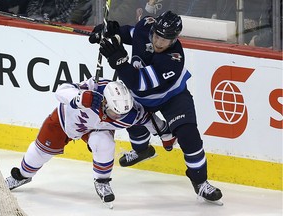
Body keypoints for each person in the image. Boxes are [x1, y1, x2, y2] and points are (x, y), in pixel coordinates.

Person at [89, 10, 223, 203]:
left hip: (172, 97)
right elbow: (129, 34)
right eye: (157, 36)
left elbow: (138, 82)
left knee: (189, 136)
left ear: (175, 39)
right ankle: (142, 150)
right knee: (128, 116)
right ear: (152, 29)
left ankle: (200, 183)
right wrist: (110, 31)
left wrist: (118, 60)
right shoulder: (146, 26)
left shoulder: (173, 58)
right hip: (139, 97)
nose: (159, 42)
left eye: (165, 40)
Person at [5, 77, 172, 204]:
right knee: (39, 153)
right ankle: (22, 175)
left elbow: (152, 122)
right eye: (115, 112)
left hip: (96, 129)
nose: (118, 117)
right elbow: (61, 91)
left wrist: (166, 136)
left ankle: (102, 181)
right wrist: (79, 97)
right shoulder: (95, 88)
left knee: (105, 144)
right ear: (105, 101)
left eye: (121, 114)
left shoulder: (130, 112)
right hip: (65, 122)